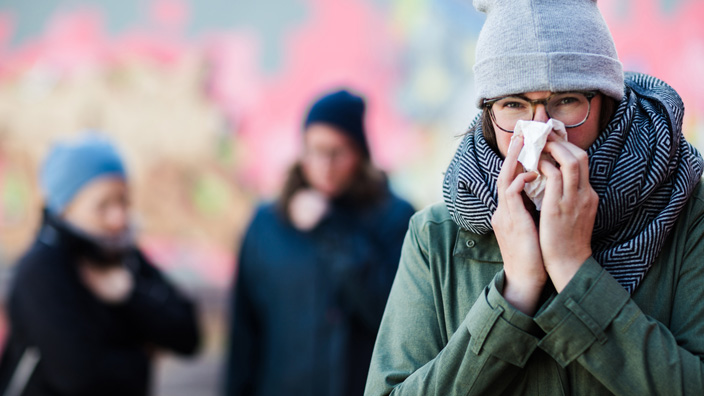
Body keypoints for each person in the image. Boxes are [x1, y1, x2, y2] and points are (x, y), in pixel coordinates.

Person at [364, 1, 704, 395]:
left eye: (566, 100)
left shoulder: (684, 210)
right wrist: (514, 295)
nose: (540, 131)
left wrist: (574, 270)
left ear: (608, 105)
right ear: (489, 113)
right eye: (514, 104)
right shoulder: (436, 236)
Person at [224, 89, 415, 396]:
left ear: (360, 154)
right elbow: (244, 332)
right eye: (315, 150)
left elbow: (395, 317)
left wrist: (331, 230)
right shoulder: (268, 224)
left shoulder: (395, 218)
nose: (325, 164)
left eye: (337, 152)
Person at [0, 135, 200, 396]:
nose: (118, 217)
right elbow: (78, 376)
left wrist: (130, 297)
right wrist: (143, 356)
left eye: (123, 202)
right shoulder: (41, 271)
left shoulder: (123, 255)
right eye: (102, 206)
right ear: (65, 208)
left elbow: (188, 335)